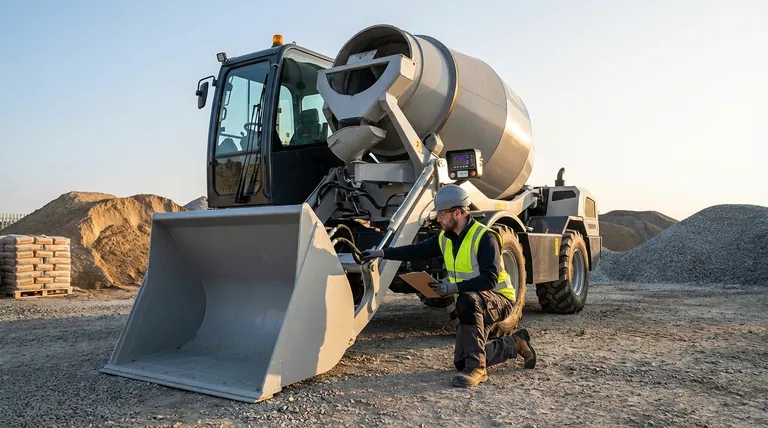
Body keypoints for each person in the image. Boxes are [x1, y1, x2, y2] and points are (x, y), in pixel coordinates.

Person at [361, 184, 537, 387]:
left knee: (467, 300)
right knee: (461, 361)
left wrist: (454, 288)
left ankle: (478, 370)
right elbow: (416, 250)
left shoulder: (485, 237)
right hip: (475, 300)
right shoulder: (445, 238)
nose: (438, 219)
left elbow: (489, 279)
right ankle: (515, 343)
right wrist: (382, 253)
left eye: (442, 214)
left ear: (458, 213)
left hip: (499, 299)